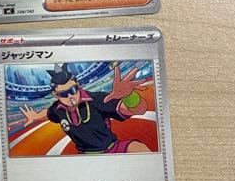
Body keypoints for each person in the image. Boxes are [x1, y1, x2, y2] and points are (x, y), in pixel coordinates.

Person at [17, 63, 153, 154]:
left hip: (113, 148)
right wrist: (35, 116)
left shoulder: (98, 99)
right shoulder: (57, 109)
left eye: (73, 90)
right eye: (63, 94)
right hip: (86, 157)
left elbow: (138, 110)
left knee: (138, 148)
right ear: (55, 95)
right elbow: (48, 113)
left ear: (78, 85)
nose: (70, 96)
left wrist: (129, 96)